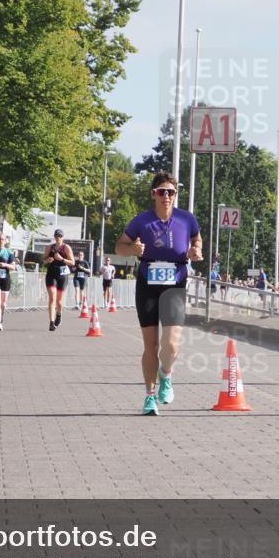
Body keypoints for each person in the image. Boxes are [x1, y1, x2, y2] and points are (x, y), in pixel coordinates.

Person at [116, 172, 202, 415]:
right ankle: (149, 396)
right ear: (153, 194)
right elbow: (119, 246)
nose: (166, 196)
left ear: (176, 195)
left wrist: (195, 250)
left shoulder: (187, 219)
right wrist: (132, 248)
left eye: (171, 192)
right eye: (161, 192)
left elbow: (197, 239)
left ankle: (166, 374)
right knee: (151, 345)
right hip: (147, 283)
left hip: (175, 283)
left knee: (171, 344)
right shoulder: (141, 221)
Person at [44, 229, 74, 331]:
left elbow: (72, 262)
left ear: (63, 237)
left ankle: (59, 315)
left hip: (62, 275)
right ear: (54, 237)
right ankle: (51, 322)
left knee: (59, 301)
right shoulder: (50, 247)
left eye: (60, 236)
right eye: (56, 236)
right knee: (52, 298)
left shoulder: (66, 248)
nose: (58, 238)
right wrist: (47, 259)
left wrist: (61, 259)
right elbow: (43, 258)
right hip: (51, 274)